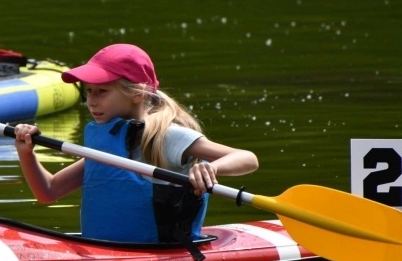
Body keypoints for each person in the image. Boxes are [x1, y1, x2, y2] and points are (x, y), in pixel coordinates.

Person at [14, 43, 259, 246]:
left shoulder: (167, 136)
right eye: (89, 91)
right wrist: (26, 153)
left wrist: (211, 168)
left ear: (137, 93)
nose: (91, 101)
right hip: (104, 249)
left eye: (102, 91)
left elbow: (248, 158)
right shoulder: (106, 144)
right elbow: (48, 191)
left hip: (160, 254)